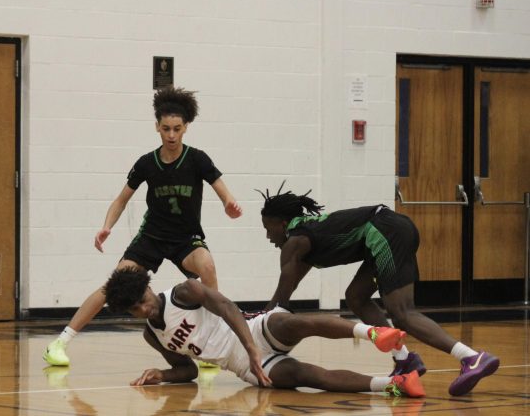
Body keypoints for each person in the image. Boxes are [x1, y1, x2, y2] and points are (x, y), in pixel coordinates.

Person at [43, 86, 242, 366]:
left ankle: (209, 341)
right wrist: (106, 227)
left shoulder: (197, 159)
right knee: (113, 285)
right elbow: (121, 199)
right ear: (157, 127)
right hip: (151, 237)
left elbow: (223, 190)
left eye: (176, 129)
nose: (171, 135)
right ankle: (60, 343)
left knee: (206, 266)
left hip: (186, 238)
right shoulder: (147, 163)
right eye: (165, 129)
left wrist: (230, 205)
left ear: (186, 127)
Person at [257, 182, 500, 396]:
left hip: (386, 230)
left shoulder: (294, 242)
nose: (268, 237)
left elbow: (282, 302)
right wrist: (267, 313)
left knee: (403, 314)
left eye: (269, 229)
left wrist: (258, 328)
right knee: (356, 297)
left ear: (283, 223)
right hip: (391, 228)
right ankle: (405, 359)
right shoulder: (304, 237)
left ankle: (471, 357)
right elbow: (284, 294)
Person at [104, 267, 426, 397]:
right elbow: (187, 370)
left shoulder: (183, 292)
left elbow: (228, 307)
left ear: (148, 287)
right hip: (242, 365)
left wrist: (251, 346)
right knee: (310, 376)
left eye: (143, 301)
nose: (145, 310)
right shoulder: (152, 335)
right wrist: (161, 373)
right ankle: (394, 384)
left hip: (252, 330)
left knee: (296, 323)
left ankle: (373, 332)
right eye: (136, 310)